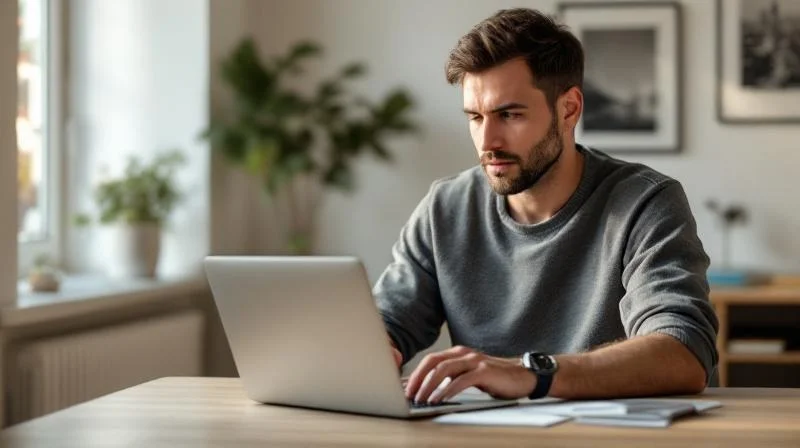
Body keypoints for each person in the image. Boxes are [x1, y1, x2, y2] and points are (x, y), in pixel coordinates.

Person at [373, 8, 718, 405]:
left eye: (510, 114)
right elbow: (385, 326)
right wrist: (372, 352)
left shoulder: (644, 202)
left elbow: (683, 354)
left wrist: (531, 374)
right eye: (475, 116)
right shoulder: (445, 208)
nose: (488, 140)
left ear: (568, 109)